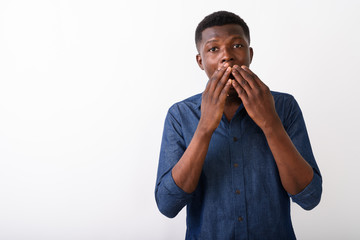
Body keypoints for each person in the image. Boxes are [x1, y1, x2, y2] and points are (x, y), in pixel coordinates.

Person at [155, 11, 322, 240]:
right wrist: (204, 128)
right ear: (200, 61)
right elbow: (167, 205)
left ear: (249, 54)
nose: (227, 57)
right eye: (213, 49)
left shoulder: (284, 107)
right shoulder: (180, 115)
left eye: (236, 45)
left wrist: (271, 123)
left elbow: (310, 198)